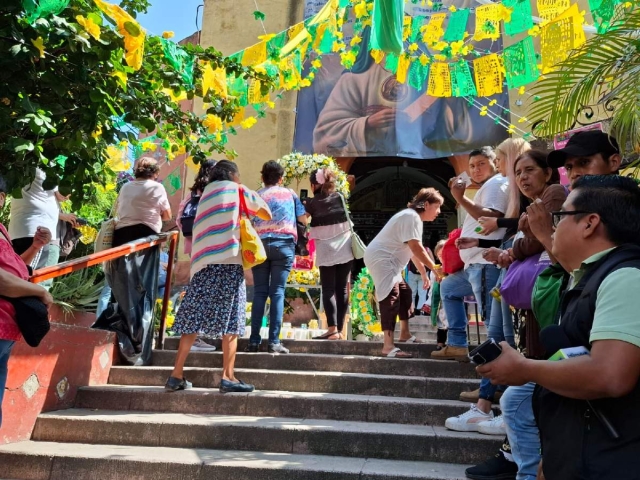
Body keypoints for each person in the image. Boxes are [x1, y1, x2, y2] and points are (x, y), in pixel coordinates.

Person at [470, 132, 624, 480]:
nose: (576, 173)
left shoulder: (623, 260)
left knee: (522, 398)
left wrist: (540, 234)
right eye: (570, 167)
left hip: (590, 344)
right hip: (569, 324)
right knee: (519, 402)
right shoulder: (579, 210)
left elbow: (610, 375)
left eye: (584, 162)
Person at [447, 151, 567, 437]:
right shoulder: (532, 201)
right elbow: (527, 235)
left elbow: (537, 237)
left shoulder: (553, 194)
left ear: (547, 173)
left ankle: (499, 409)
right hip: (521, 280)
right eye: (518, 172)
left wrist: (512, 249)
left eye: (529, 170)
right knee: (501, 336)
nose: (522, 177)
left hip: (540, 284)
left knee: (507, 339)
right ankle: (489, 407)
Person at [166, 161, 271, 394]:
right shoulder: (237, 189)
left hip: (202, 263)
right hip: (229, 261)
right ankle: (228, 377)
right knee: (231, 321)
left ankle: (176, 375)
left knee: (192, 319)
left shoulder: (204, 196)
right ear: (233, 174)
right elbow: (266, 212)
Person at [432, 147, 508, 361]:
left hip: (485, 264)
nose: (476, 170)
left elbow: (491, 218)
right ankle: (456, 343)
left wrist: (460, 197)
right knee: (447, 287)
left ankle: (494, 377)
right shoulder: (489, 186)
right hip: (474, 264)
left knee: (490, 322)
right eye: (472, 166)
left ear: (495, 163)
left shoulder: (496, 184)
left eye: (482, 164)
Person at [100, 157, 172, 365]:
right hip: (145, 239)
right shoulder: (157, 188)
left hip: (122, 238)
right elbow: (167, 215)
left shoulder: (126, 187)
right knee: (143, 291)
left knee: (122, 289)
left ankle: (125, 341)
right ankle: (139, 348)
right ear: (155, 173)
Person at [0, 174, 53, 428]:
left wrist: (34, 247)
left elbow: (13, 270)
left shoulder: (2, 231)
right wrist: (39, 292)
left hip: (7, 329)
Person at [364, 188, 444, 358]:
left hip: (390, 262)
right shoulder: (411, 216)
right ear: (427, 204)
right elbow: (416, 247)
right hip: (382, 259)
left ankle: (405, 334)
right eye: (437, 207)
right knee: (391, 296)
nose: (439, 212)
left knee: (406, 293)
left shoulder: (413, 218)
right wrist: (435, 268)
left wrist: (423, 273)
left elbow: (412, 251)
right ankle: (388, 346)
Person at [246, 160, 307, 354]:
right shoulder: (290, 194)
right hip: (283, 245)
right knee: (278, 292)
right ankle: (273, 341)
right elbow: (303, 219)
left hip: (261, 246)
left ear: (263, 177)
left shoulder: (256, 195)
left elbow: (248, 220)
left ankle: (254, 341)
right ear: (281, 178)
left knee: (259, 293)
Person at [304, 168, 354, 340]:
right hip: (345, 247)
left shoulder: (311, 203)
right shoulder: (339, 196)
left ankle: (332, 329)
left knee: (328, 289)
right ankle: (340, 330)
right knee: (342, 289)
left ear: (313, 185)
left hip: (326, 248)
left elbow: (303, 219)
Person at [176, 159, 218, 353]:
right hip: (211, 247)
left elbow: (179, 219)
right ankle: (196, 336)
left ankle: (191, 334)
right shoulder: (215, 192)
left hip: (195, 248)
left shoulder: (192, 193)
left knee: (196, 289)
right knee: (205, 291)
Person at [9, 168, 76, 288]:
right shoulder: (47, 165)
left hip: (18, 229)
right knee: (30, 280)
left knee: (16, 273)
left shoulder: (20, 163)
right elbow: (62, 194)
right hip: (38, 231)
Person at [425, 239, 448, 350]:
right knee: (441, 321)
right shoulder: (435, 271)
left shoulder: (456, 269)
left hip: (452, 300)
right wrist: (429, 302)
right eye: (439, 255)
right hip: (440, 301)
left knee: (450, 320)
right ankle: (440, 343)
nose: (442, 257)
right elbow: (432, 290)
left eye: (444, 254)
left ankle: (453, 343)